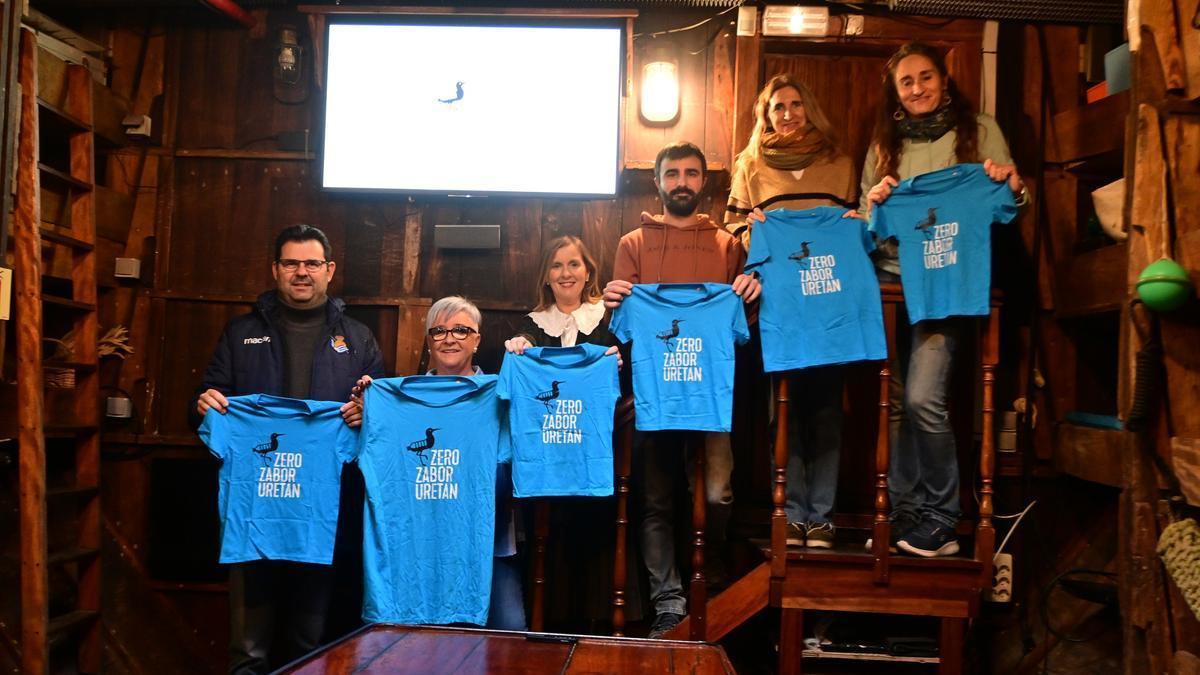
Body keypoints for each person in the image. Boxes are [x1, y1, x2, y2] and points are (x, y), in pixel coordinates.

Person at [192, 224, 385, 674]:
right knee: (248, 649)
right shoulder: (240, 333)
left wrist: (366, 411)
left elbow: (377, 423)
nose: (302, 272)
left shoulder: (358, 339)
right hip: (254, 513)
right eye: (292, 263)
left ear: (329, 270)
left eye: (312, 263)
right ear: (275, 269)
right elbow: (206, 405)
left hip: (321, 514)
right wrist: (204, 405)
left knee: (311, 642)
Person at [860, 42, 1026, 558]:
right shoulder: (884, 144)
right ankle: (906, 515)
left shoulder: (980, 130)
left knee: (922, 398)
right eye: (906, 81)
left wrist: (1012, 186)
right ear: (896, 91)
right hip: (891, 286)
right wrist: (876, 203)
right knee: (894, 408)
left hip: (951, 283)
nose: (917, 88)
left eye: (925, 77)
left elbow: (1010, 203)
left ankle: (941, 514)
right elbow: (868, 225)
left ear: (944, 80)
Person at [603, 141, 761, 638]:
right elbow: (619, 324)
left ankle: (709, 571)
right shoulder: (632, 243)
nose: (683, 182)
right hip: (650, 394)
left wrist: (750, 292)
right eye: (673, 174)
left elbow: (744, 323)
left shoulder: (727, 245)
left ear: (704, 182)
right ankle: (669, 601)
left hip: (712, 393)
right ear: (658, 181)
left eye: (692, 174)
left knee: (717, 494)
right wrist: (613, 301)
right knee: (654, 500)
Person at [725, 74, 860, 550]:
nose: (787, 113)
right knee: (781, 411)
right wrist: (752, 231)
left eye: (795, 104)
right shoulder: (751, 165)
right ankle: (792, 512)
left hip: (828, 304)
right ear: (766, 116)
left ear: (809, 109)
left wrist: (854, 223)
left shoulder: (840, 163)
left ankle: (820, 517)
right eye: (777, 107)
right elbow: (732, 226)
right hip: (779, 305)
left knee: (825, 410)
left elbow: (856, 224)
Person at [356, 296, 527, 631]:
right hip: (414, 552)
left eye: (461, 330)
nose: (450, 338)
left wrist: (606, 363)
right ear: (428, 341)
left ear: (477, 340)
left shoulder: (499, 396)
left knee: (509, 638)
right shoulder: (392, 401)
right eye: (439, 331)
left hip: (489, 546)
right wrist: (369, 411)